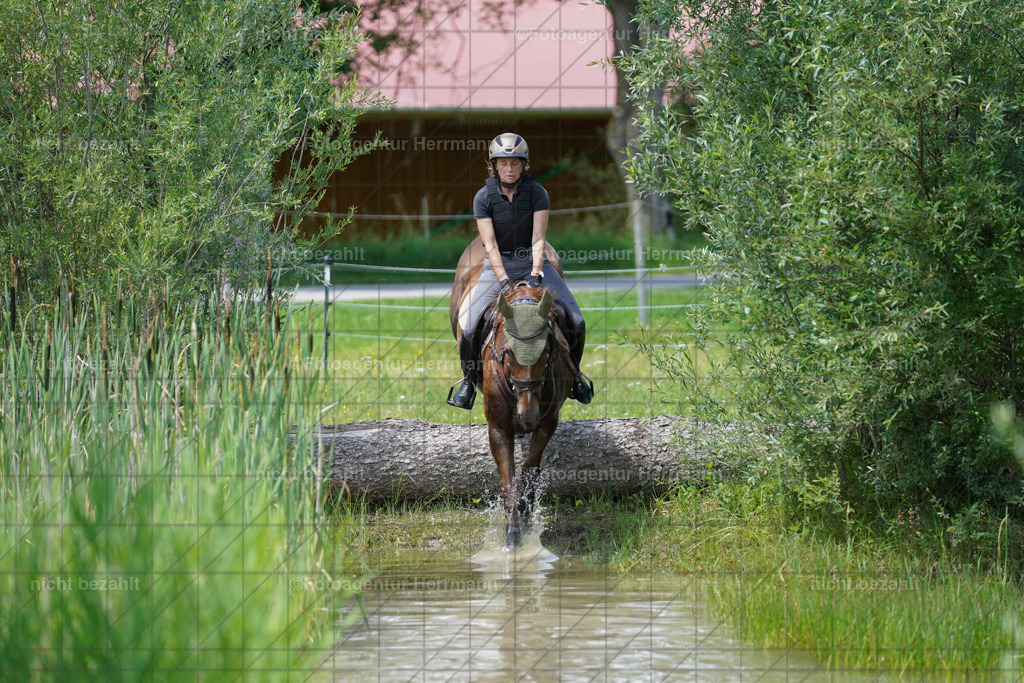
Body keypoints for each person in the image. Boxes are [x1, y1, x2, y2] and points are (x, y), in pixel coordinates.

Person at [447, 132, 593, 409]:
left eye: (515, 163)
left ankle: (575, 378)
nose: (509, 168)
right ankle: (467, 382)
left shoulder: (537, 193)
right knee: (469, 328)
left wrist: (536, 274)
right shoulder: (483, 197)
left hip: (534, 266)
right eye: (503, 163)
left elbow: (538, 239)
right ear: (494, 165)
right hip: (496, 267)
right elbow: (489, 244)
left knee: (576, 320)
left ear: (524, 164)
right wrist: (503, 280)